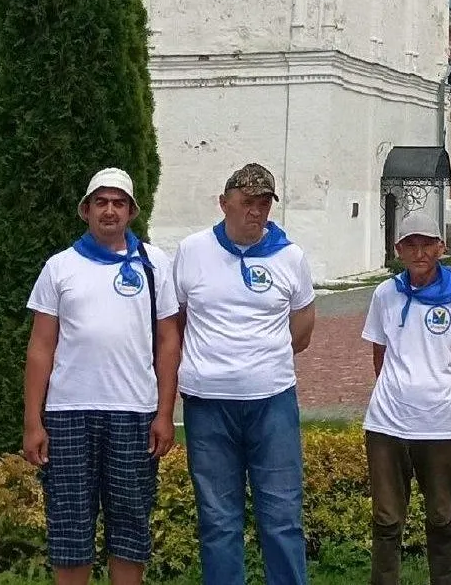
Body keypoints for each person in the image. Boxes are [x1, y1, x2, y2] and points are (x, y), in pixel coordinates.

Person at [23, 167, 182, 585]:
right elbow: (41, 346)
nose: (109, 210)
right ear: (86, 210)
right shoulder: (60, 267)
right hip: (68, 412)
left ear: (131, 211)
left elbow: (168, 340)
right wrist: (33, 421)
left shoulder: (154, 263)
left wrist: (165, 413)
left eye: (118, 203)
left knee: (130, 526)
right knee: (70, 526)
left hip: (134, 412)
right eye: (101, 202)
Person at [174, 163, 319, 585]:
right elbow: (177, 322)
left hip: (271, 401)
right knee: (218, 520)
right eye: (246, 202)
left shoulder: (289, 256)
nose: (255, 212)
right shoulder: (192, 250)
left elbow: (303, 328)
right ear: (224, 203)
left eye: (263, 203)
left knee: (282, 516)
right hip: (207, 403)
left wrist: (260, 359)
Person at [362, 210, 451, 585]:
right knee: (386, 519)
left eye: (427, 244)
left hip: (440, 424)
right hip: (387, 424)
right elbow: (379, 355)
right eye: (410, 245)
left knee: (442, 517)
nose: (419, 253)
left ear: (441, 247)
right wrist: (402, 390)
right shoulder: (385, 294)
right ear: (399, 249)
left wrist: (432, 387)